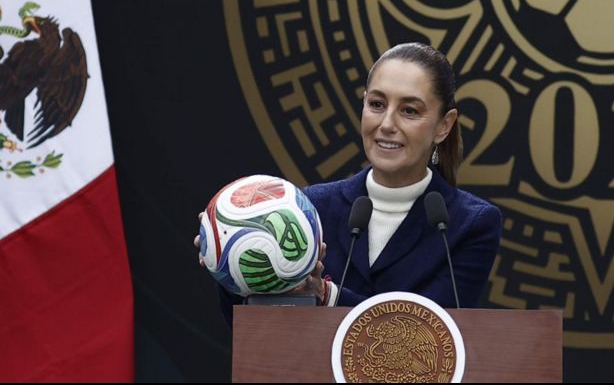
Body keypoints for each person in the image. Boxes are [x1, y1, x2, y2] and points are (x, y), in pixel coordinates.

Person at [197, 42, 502, 323]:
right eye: (377, 104)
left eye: (409, 111)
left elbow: (428, 331)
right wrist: (231, 260)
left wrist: (328, 296)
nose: (386, 125)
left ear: (444, 126)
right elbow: (252, 326)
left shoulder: (469, 224)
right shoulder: (309, 208)